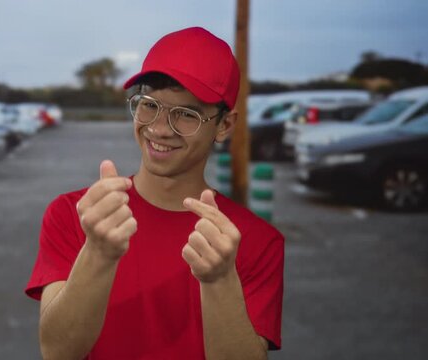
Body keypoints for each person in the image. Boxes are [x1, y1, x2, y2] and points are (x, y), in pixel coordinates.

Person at [25, 26, 284, 360]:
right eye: (149, 105)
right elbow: (58, 352)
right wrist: (99, 253)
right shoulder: (79, 214)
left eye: (186, 114)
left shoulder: (253, 241)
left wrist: (220, 279)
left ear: (224, 125)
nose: (160, 128)